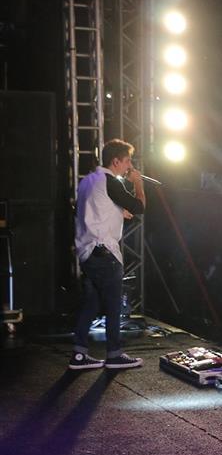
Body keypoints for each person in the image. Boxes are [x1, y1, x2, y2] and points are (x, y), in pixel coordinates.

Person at [70, 139, 145, 370]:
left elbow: (91, 209)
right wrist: (138, 184)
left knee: (91, 304)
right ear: (116, 161)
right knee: (113, 305)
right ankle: (114, 354)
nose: (129, 166)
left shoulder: (88, 181)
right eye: (127, 161)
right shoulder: (110, 181)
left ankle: (79, 355)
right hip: (104, 253)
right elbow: (139, 207)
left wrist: (116, 212)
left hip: (88, 251)